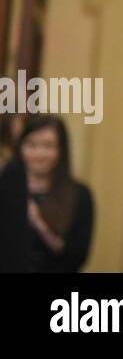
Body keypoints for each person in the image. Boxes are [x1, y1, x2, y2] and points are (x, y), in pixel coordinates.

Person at [0, 115, 94, 272]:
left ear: (61, 150)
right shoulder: (6, 186)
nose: (39, 154)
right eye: (31, 145)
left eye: (48, 146)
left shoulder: (79, 195)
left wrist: (39, 224)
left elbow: (76, 257)